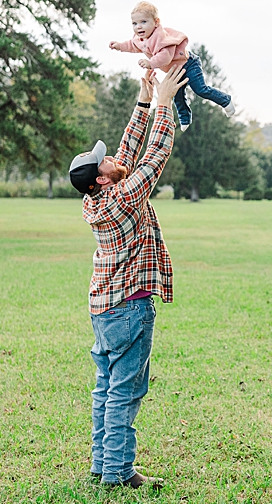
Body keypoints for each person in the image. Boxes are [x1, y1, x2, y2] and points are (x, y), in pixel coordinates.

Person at [68, 67, 188, 489]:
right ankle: (119, 473)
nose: (116, 158)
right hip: (129, 309)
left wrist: (144, 97)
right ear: (102, 178)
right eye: (108, 162)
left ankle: (103, 465)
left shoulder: (99, 197)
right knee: (125, 393)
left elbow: (130, 149)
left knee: (106, 389)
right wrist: (165, 103)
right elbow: (153, 156)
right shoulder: (122, 196)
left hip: (104, 309)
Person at [110, 1, 235, 131]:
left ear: (156, 22)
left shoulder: (161, 37)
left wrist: (151, 63)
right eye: (134, 23)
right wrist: (119, 46)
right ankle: (185, 118)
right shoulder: (140, 38)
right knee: (177, 94)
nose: (138, 27)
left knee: (200, 89)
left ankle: (225, 100)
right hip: (175, 69)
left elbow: (165, 56)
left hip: (189, 64)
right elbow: (132, 45)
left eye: (143, 22)